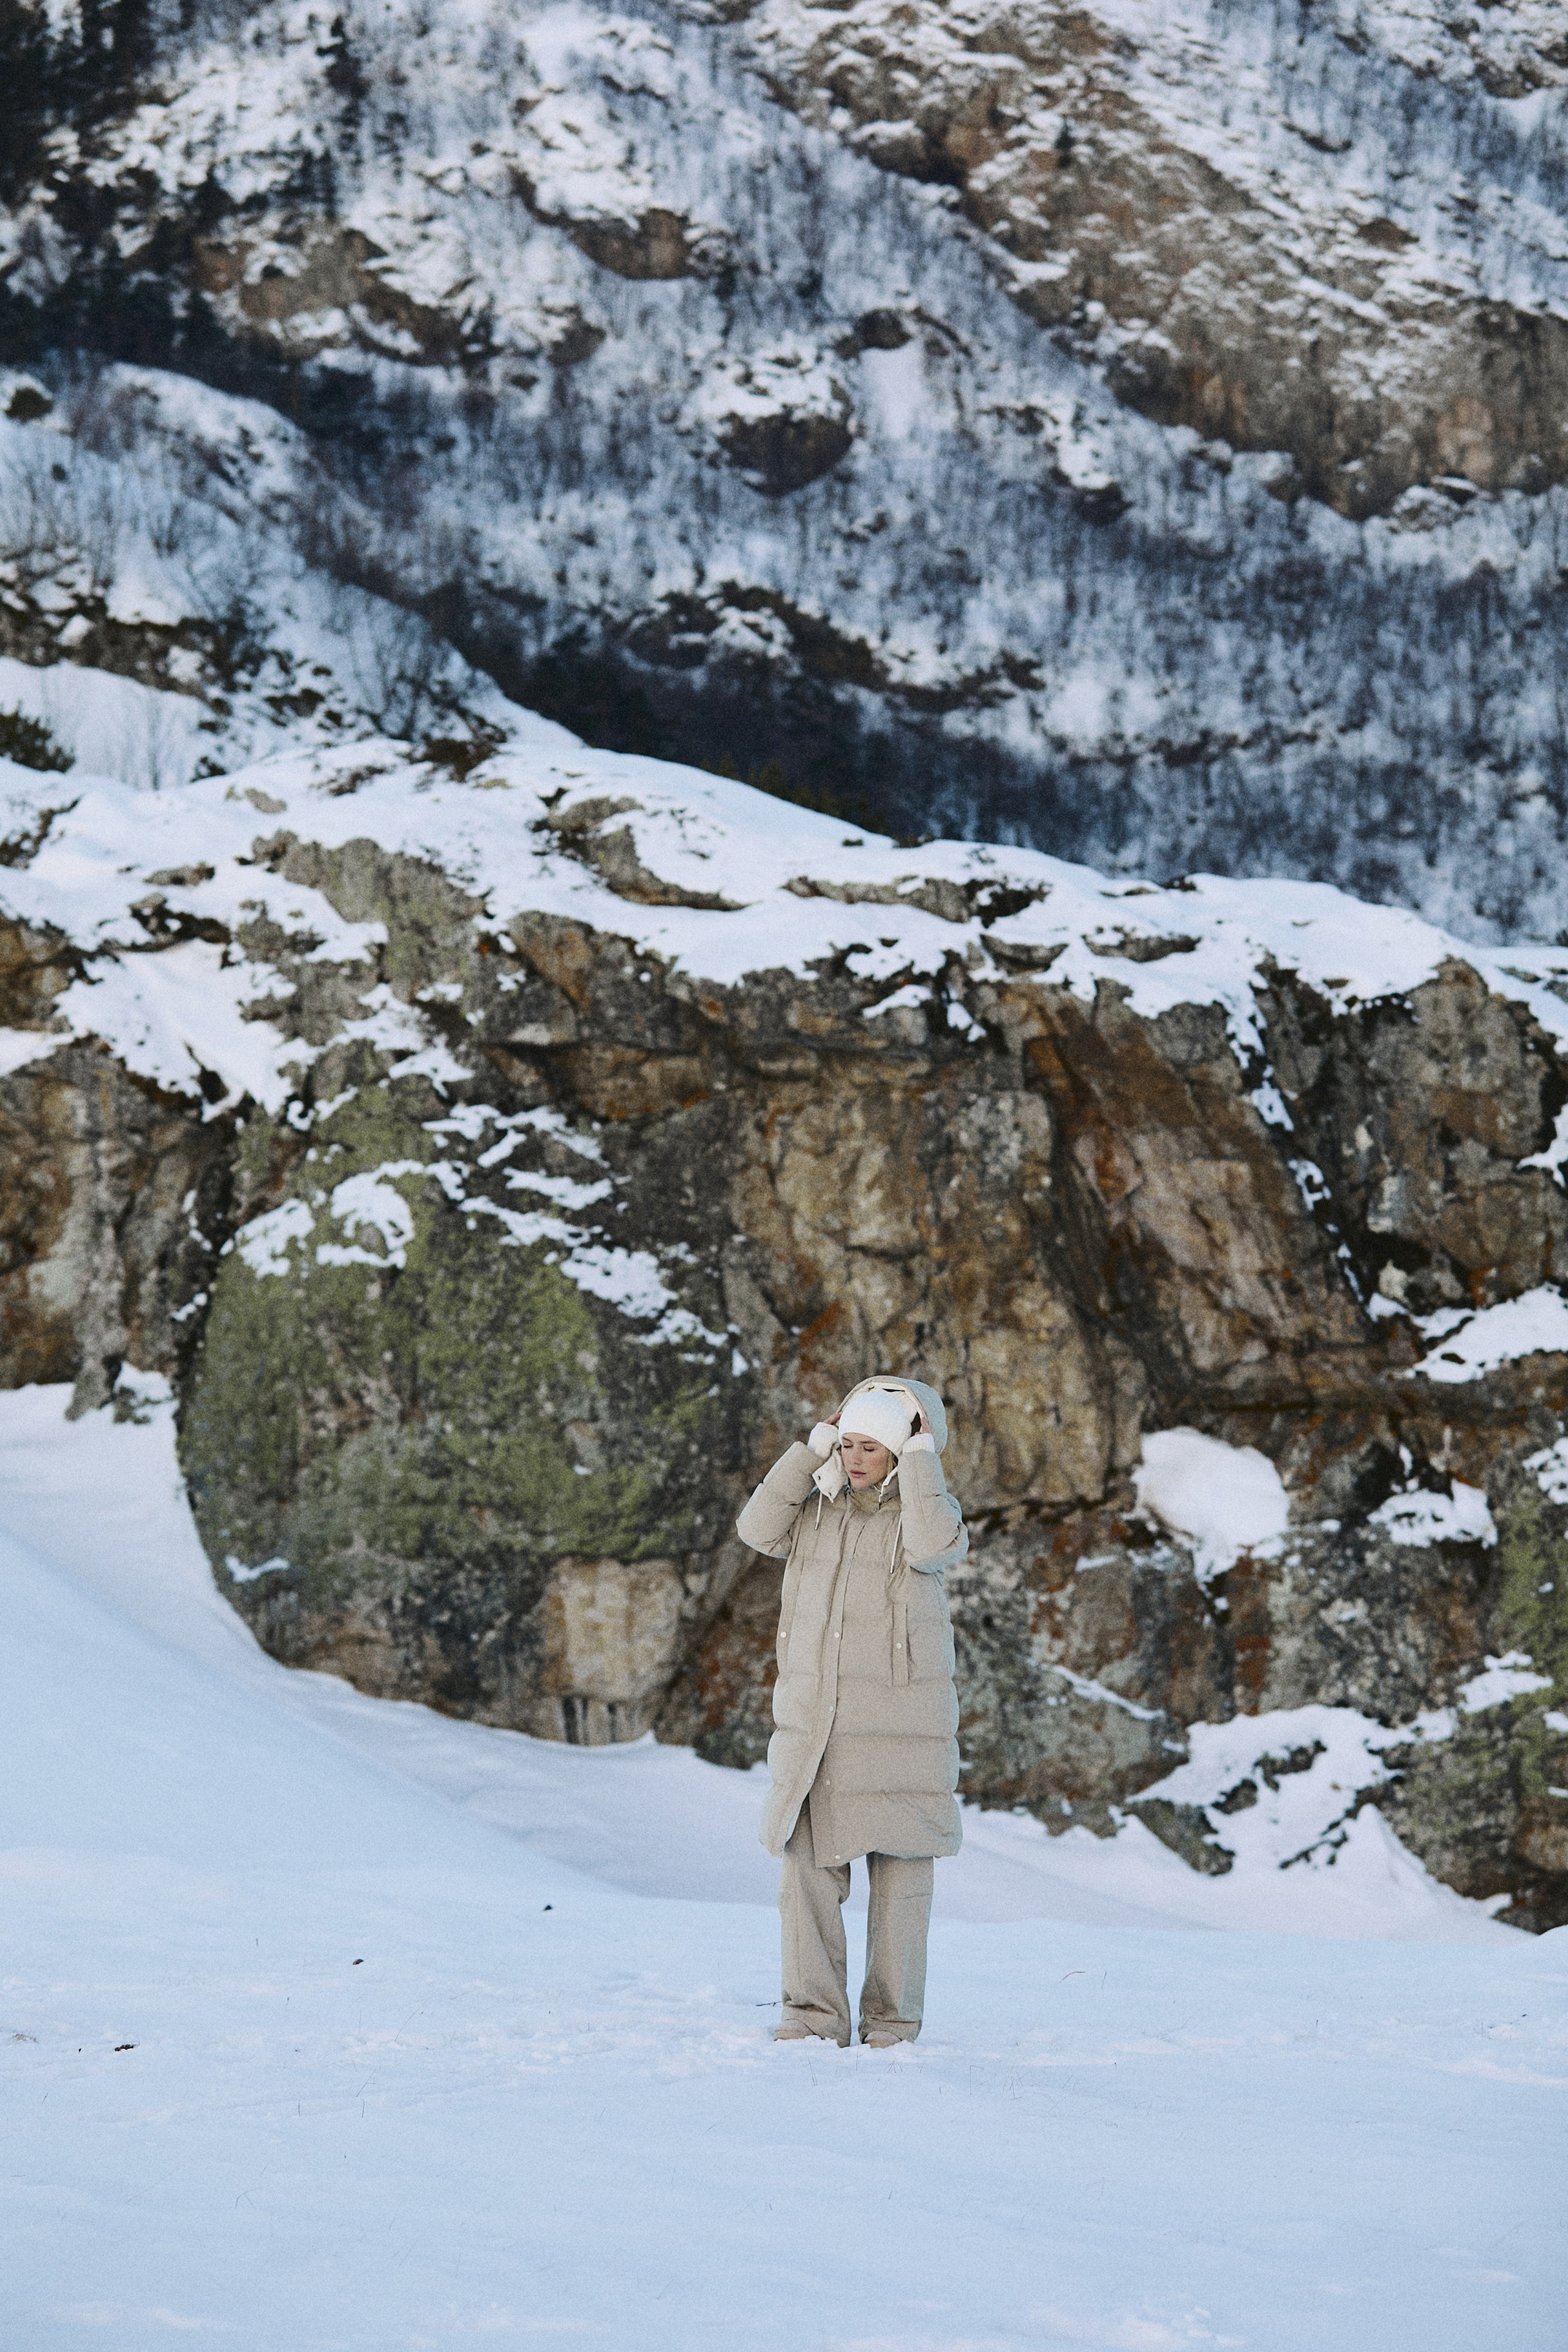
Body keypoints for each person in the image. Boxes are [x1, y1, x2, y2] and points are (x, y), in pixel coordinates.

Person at [736, 1375, 966, 2048]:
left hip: (902, 1738)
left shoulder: (929, 1513)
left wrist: (923, 1457)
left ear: (900, 1453)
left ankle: (892, 2027)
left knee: (900, 1892)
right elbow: (755, 1528)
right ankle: (811, 2021)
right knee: (803, 1877)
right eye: (850, 1442)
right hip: (818, 1733)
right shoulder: (813, 1512)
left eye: (874, 1445)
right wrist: (810, 1451)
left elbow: (932, 1547)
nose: (857, 1456)